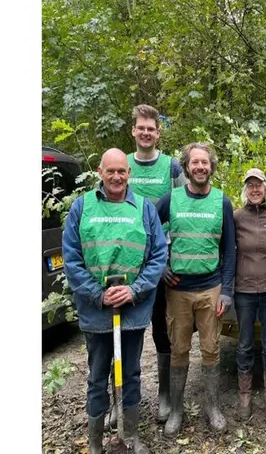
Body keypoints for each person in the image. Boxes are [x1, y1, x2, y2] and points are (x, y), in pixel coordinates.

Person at [62, 148, 167, 454]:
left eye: (122, 171)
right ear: (100, 172)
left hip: (132, 310)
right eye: (111, 171)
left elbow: (158, 255)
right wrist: (98, 293)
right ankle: (95, 443)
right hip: (96, 312)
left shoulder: (144, 209)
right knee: (97, 377)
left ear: (129, 173)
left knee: (131, 372)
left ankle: (129, 435)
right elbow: (71, 258)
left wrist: (134, 290)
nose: (117, 177)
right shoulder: (82, 208)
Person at [155, 142, 237, 436]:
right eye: (194, 163)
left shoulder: (221, 202)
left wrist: (227, 290)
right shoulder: (171, 198)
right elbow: (148, 227)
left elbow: (230, 249)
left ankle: (212, 408)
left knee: (211, 349)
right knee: (178, 350)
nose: (200, 167)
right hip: (177, 291)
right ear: (186, 167)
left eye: (205, 163)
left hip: (211, 289)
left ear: (211, 167)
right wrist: (159, 267)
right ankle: (176, 410)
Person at [115, 104, 186, 425]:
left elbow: (183, 212)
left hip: (159, 264)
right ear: (134, 131)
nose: (146, 133)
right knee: (123, 330)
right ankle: (121, 399)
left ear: (158, 132)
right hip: (125, 265)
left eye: (151, 128)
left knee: (161, 329)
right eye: (140, 127)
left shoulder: (171, 168)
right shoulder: (121, 166)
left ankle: (164, 396)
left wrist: (170, 259)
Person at [233, 168, 266, 420]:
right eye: (250, 185)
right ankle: (245, 395)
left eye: (258, 185)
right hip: (244, 290)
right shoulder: (236, 216)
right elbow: (227, 249)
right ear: (245, 190)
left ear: (265, 188)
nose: (254, 189)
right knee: (244, 344)